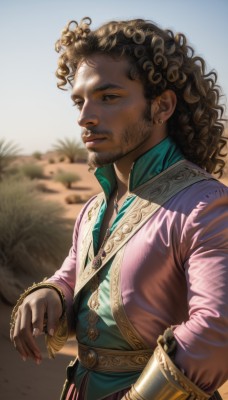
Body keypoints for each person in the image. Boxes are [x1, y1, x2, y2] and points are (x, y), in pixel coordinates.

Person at [10, 17, 228, 400]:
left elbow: (217, 330)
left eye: (108, 97)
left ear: (161, 106)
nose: (84, 117)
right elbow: (75, 272)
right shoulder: (95, 207)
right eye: (79, 101)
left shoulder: (204, 204)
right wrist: (50, 294)